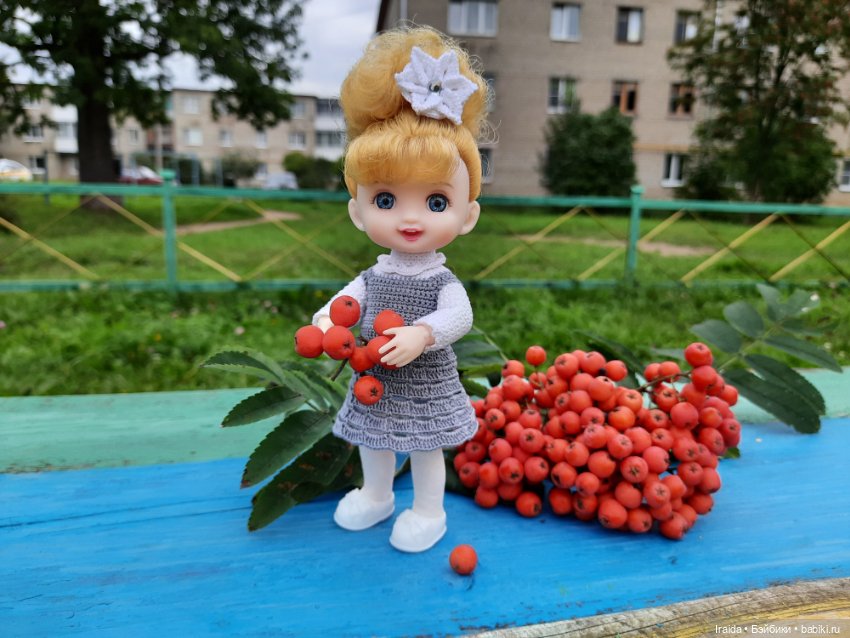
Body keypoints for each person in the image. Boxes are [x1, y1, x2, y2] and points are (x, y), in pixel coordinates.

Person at [312, 26, 490, 553]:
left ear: (468, 215)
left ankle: (428, 509)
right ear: (357, 210)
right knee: (373, 438)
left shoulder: (440, 279)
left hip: (424, 376)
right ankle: (376, 495)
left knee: (429, 446)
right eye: (386, 200)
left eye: (436, 202)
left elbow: (459, 315)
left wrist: (423, 334)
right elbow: (348, 302)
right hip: (374, 375)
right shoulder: (374, 277)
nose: (410, 218)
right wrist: (326, 322)